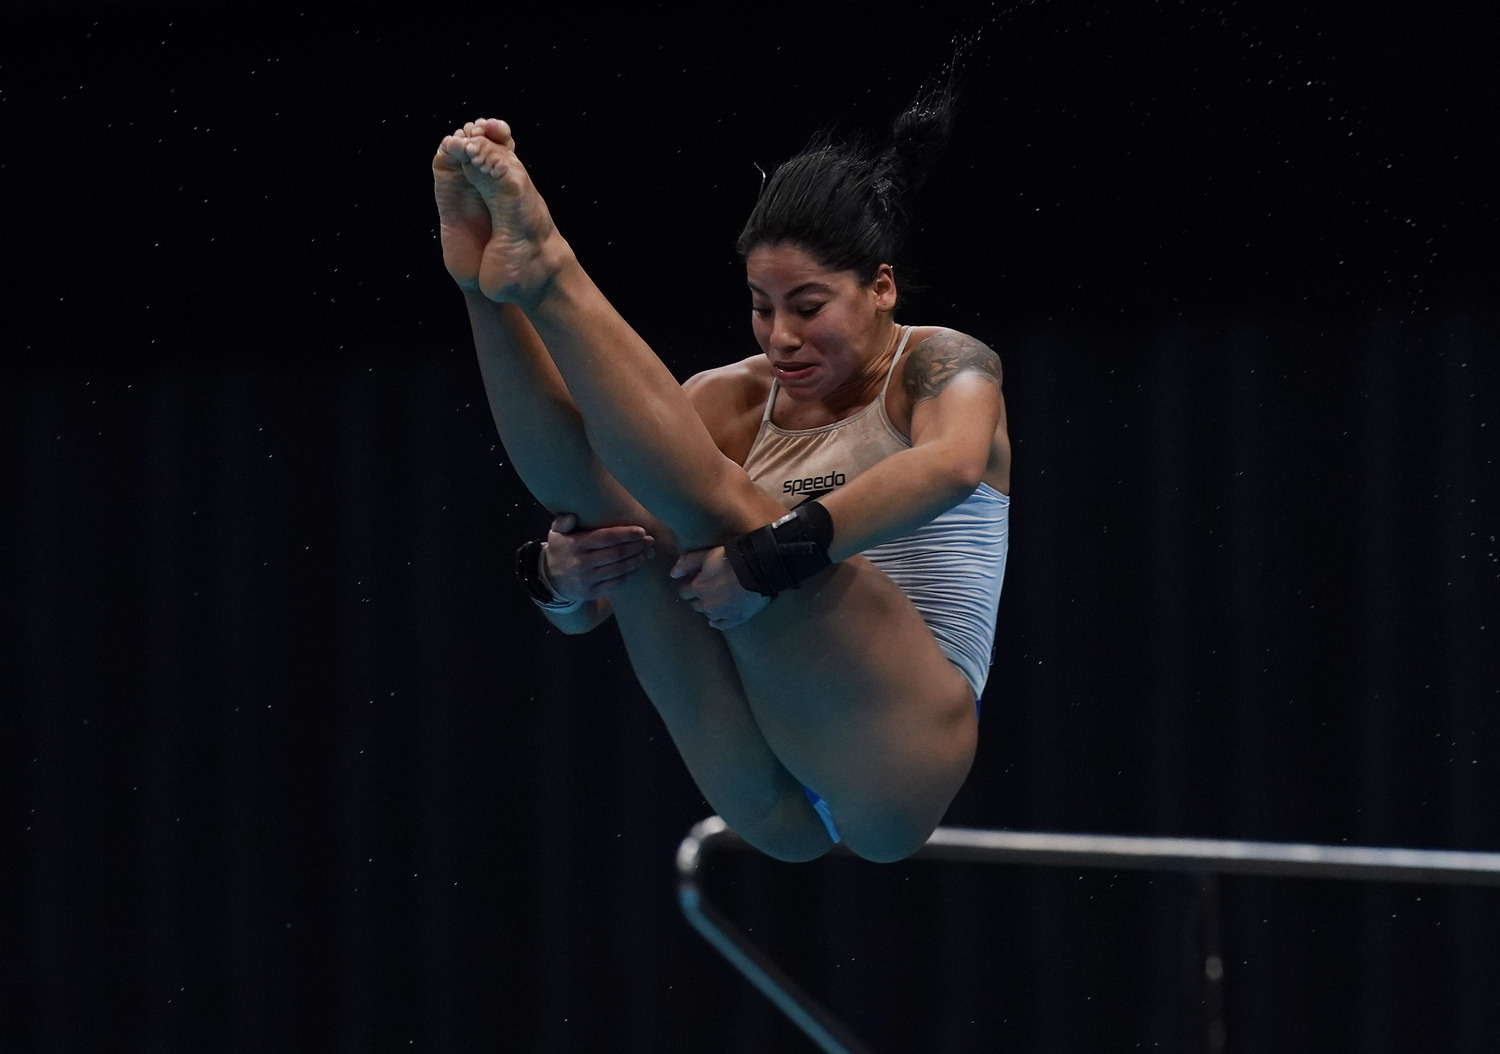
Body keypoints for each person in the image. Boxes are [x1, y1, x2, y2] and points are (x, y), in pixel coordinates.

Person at [431, 87, 1010, 863]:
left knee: (729, 509)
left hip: (898, 754)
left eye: (808, 306)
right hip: (766, 794)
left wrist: (772, 557)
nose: (783, 338)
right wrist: (559, 578)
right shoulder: (728, 399)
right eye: (762, 307)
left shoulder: (941, 363)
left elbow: (952, 466)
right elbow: (585, 613)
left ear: (882, 286)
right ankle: (485, 291)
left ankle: (550, 268)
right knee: (617, 524)